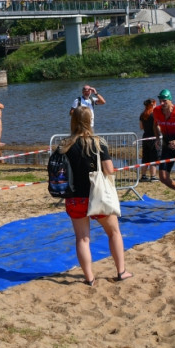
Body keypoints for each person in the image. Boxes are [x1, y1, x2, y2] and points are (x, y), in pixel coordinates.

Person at [60, 106, 133, 286]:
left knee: (82, 239)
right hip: (97, 196)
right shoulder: (97, 143)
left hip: (74, 197)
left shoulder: (65, 145)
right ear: (89, 120)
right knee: (114, 232)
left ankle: (89, 278)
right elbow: (109, 169)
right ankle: (121, 271)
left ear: (73, 121)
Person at [139, 98, 158, 181]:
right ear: (153, 104)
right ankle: (153, 176)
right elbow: (157, 127)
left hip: (145, 136)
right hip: (153, 137)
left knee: (145, 157)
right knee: (153, 157)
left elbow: (141, 127)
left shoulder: (142, 115)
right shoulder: (154, 114)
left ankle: (143, 176)